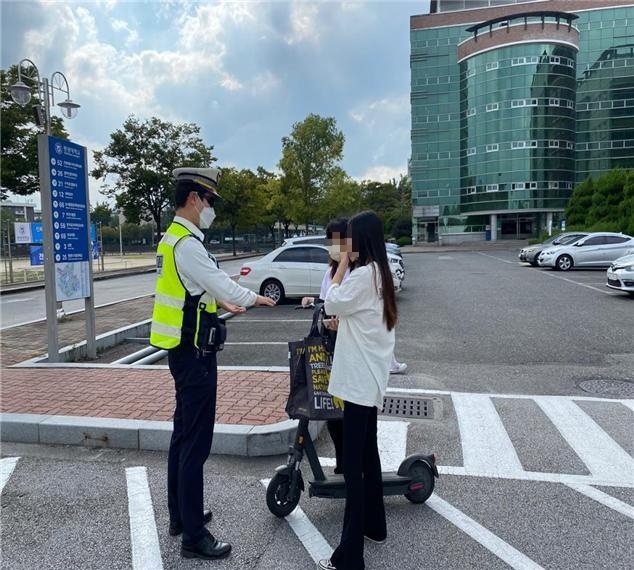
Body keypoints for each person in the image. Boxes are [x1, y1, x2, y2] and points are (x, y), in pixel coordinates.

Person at [150, 167, 275, 561]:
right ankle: (194, 537)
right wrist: (256, 299)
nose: (211, 209)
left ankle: (180, 516)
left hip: (181, 351)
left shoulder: (171, 240)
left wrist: (220, 301)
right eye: (209, 201)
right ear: (192, 199)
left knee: (181, 438)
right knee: (195, 446)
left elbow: (195, 290)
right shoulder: (187, 243)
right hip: (195, 356)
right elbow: (219, 281)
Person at [318, 210, 398, 570]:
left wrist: (341, 265)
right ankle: (375, 526)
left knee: (353, 466)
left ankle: (349, 557)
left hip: (358, 383)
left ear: (359, 240)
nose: (344, 245)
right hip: (371, 378)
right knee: (368, 456)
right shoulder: (382, 273)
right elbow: (358, 318)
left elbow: (332, 301)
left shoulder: (364, 274)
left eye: (349, 238)